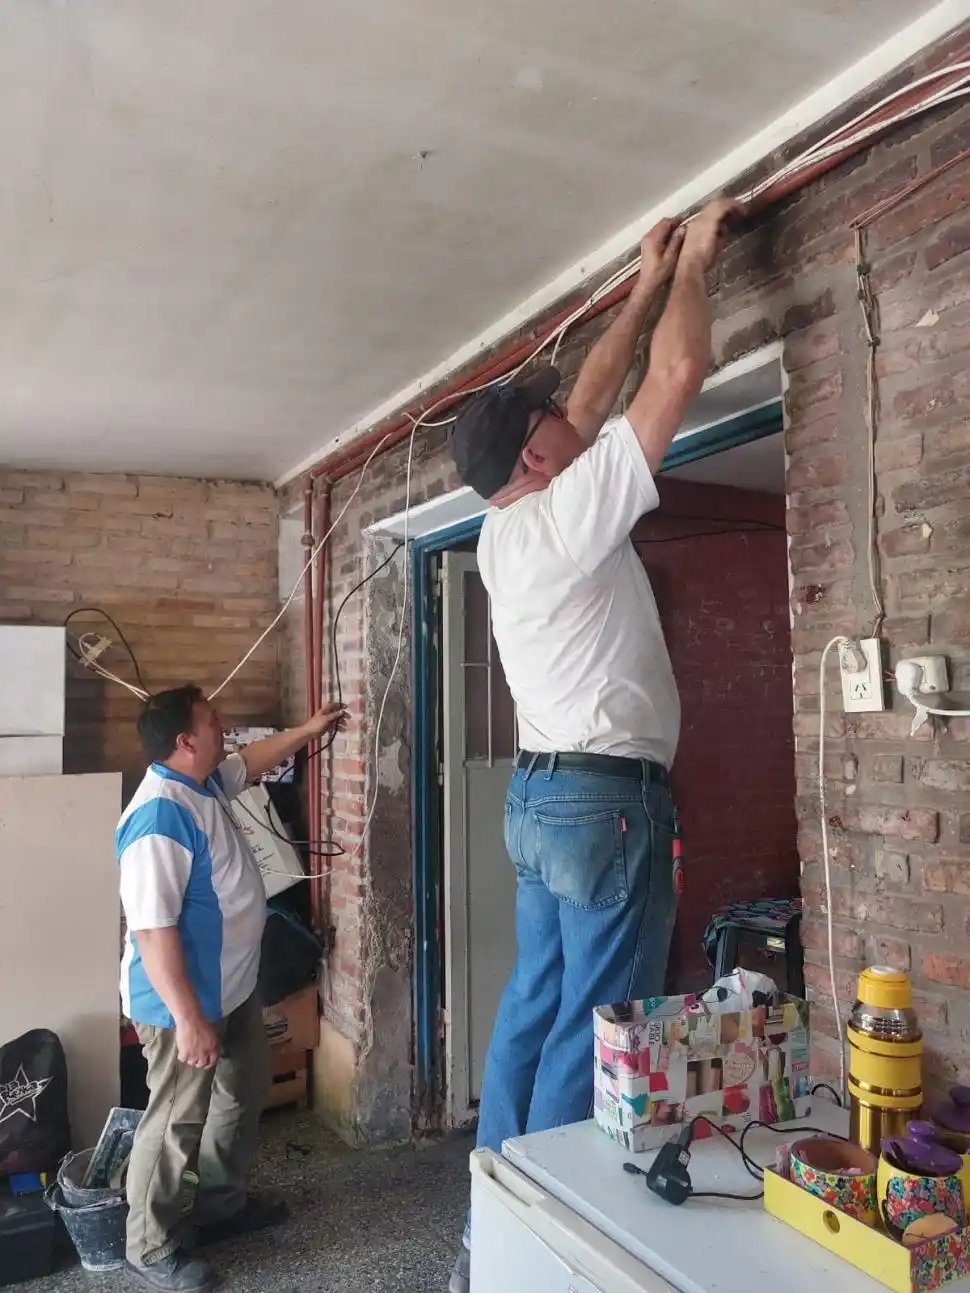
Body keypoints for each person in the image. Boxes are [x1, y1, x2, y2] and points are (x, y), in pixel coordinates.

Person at [446, 198, 741, 1292]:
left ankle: (493, 1212)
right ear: (536, 456)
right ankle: (551, 1247)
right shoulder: (568, 517)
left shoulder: (508, 522)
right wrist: (699, 265)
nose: (577, 421)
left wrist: (637, 285)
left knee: (535, 1002)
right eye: (553, 425)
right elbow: (671, 383)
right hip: (602, 807)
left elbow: (585, 397)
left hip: (543, 804)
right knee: (592, 1022)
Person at [118, 685, 346, 1292]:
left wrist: (310, 728)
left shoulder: (202, 784)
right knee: (174, 1122)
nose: (225, 727)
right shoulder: (158, 817)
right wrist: (189, 1019)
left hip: (233, 988)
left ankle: (221, 1207)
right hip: (181, 1006)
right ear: (185, 741)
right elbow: (152, 931)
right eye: (212, 721)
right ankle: (147, 1245)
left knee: (239, 1097)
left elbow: (253, 761)